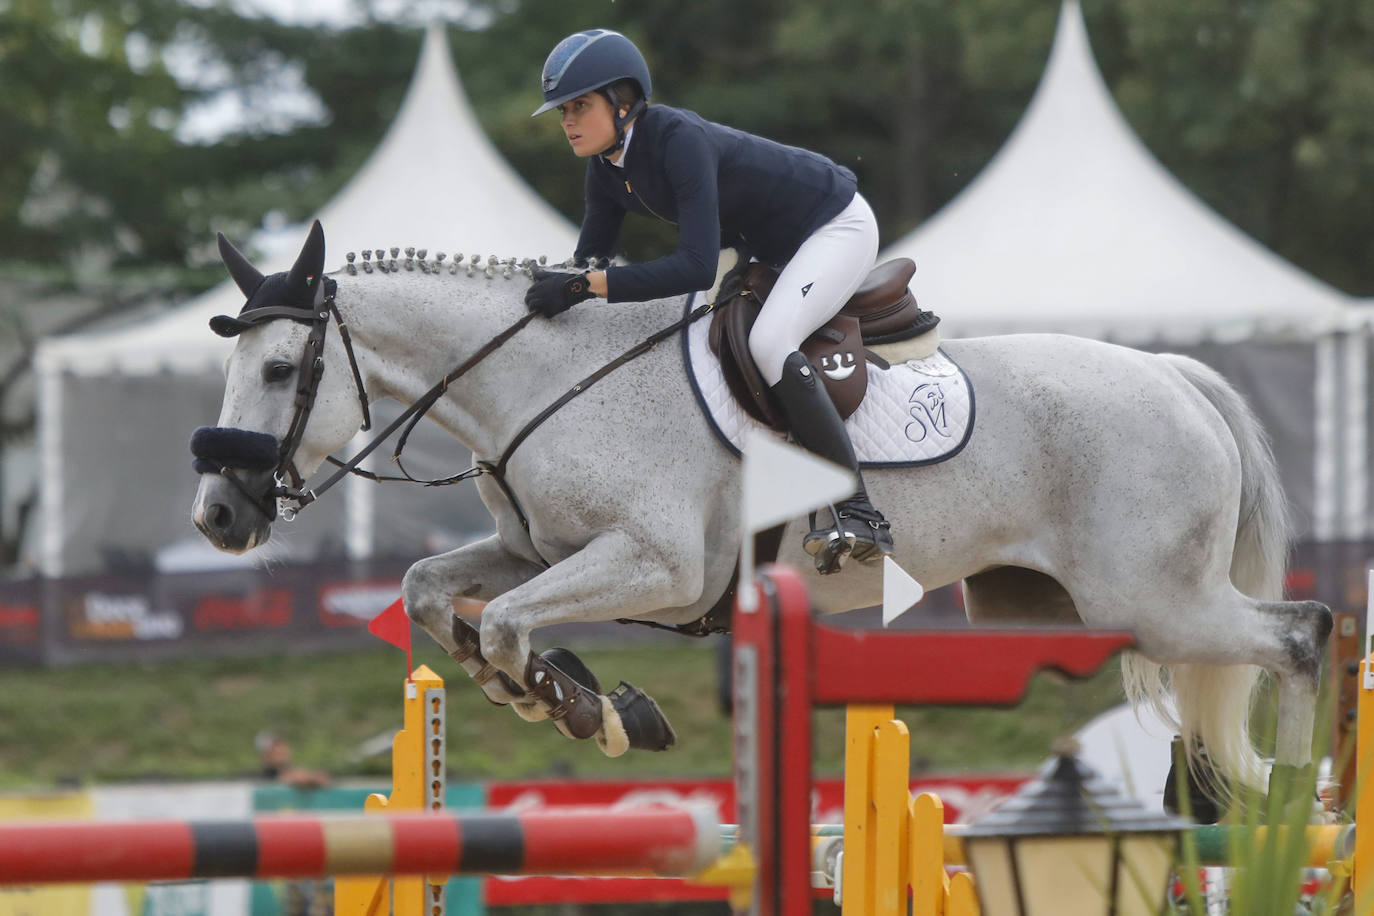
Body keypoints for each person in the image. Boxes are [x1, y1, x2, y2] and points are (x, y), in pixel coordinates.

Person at [525, 28, 893, 571]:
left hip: (834, 225)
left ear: (623, 103)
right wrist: (551, 288)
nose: (567, 121)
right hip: (769, 245)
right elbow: (589, 264)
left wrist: (582, 288)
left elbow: (694, 265)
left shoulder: (677, 139)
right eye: (562, 111)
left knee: (771, 342)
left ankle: (859, 510)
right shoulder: (604, 169)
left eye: (579, 105)